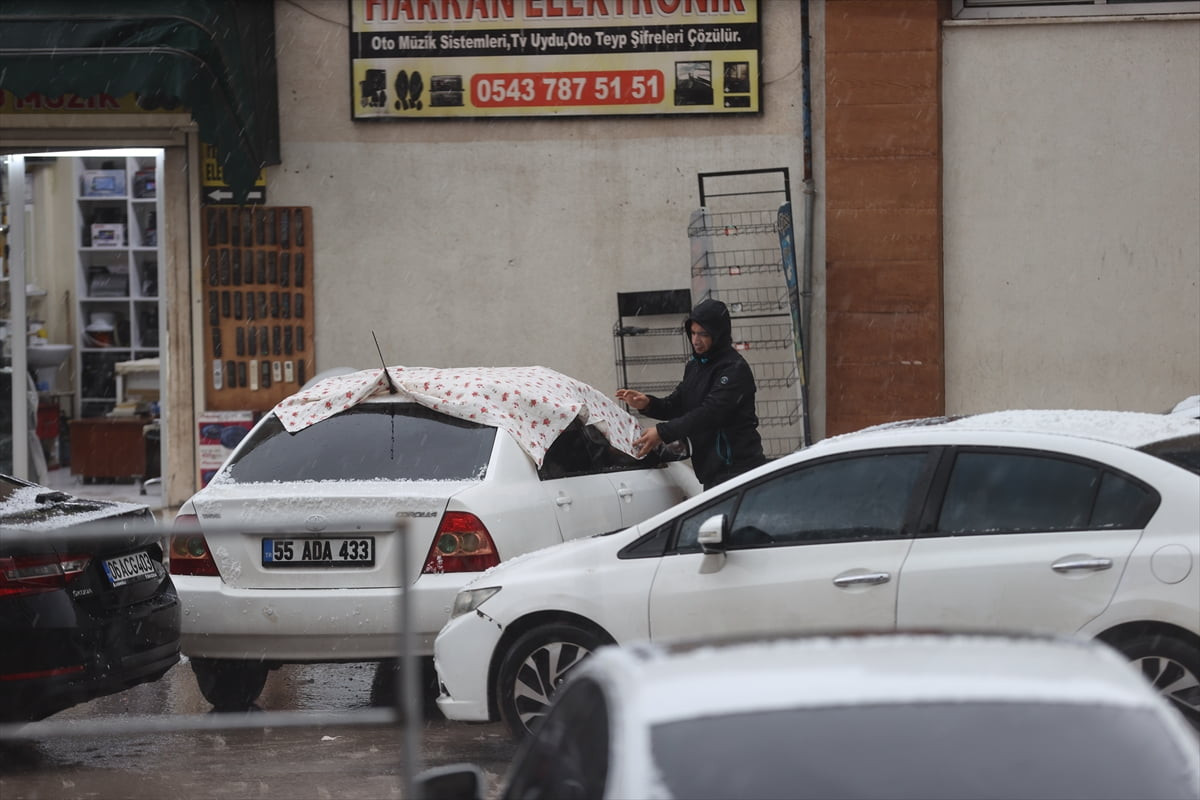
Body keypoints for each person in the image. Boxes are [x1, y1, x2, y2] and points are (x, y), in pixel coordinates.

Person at [616, 298, 767, 491]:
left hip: (738, 471)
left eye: (703, 334)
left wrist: (662, 432)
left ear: (718, 334)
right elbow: (678, 404)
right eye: (693, 333)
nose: (696, 340)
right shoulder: (695, 366)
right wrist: (647, 404)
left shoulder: (733, 369)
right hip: (712, 473)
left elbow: (709, 413)